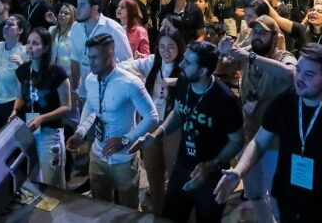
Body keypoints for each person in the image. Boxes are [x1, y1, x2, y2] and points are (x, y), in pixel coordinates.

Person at [213, 44, 322, 223]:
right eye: (298, 70)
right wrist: (238, 171)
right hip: (290, 205)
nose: (299, 78)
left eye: (309, 74)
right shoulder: (285, 101)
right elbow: (259, 142)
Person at [130, 41, 244, 223]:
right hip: (183, 165)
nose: (181, 65)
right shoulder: (184, 81)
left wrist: (212, 164)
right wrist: (157, 134)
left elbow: (237, 140)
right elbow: (178, 112)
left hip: (211, 174)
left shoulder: (225, 100)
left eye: (188, 62)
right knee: (172, 216)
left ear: (204, 71)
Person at [217, 14, 296, 223]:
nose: (257, 37)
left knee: (278, 198)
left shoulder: (283, 56)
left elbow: (291, 74)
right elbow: (221, 69)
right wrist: (222, 52)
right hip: (249, 137)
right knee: (254, 194)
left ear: (275, 36)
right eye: (254, 32)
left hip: (275, 143)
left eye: (263, 33)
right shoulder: (247, 55)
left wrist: (248, 57)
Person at [66, 33, 158, 209]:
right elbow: (92, 107)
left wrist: (126, 140)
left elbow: (152, 117)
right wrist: (81, 131)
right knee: (100, 207)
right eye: (88, 56)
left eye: (95, 57)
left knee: (128, 209)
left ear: (109, 55)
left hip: (124, 159)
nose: (90, 62)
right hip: (97, 156)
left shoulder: (130, 83)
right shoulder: (91, 79)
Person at [119, 31, 185, 213]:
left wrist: (173, 82)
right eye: (162, 46)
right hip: (151, 122)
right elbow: (122, 65)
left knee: (175, 173)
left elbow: (196, 78)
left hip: (173, 125)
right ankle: (158, 210)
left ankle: (178, 213)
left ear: (179, 47)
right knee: (153, 171)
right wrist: (139, 78)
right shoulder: (152, 61)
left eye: (171, 46)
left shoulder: (185, 65)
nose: (166, 51)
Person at [12, 27, 71, 188]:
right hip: (29, 131)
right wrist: (15, 110)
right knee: (32, 177)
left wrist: (42, 118)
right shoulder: (22, 71)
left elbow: (66, 106)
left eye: (35, 43)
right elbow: (20, 97)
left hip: (50, 133)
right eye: (28, 42)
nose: (29, 46)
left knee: (52, 180)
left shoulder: (57, 72)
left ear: (45, 48)